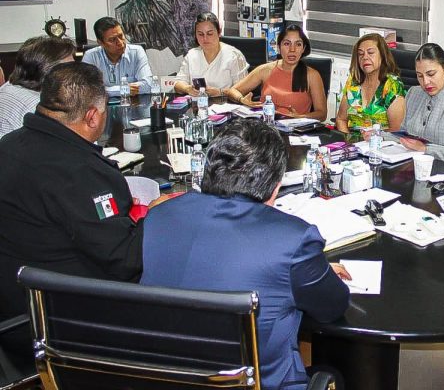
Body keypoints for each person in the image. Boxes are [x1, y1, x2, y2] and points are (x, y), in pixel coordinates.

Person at [141, 119, 351, 390]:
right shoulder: (293, 240)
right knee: (336, 375)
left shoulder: (159, 217)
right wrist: (311, 272)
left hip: (170, 378)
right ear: (276, 185)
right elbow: (332, 307)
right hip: (258, 383)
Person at [0, 62, 164, 361]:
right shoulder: (80, 171)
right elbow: (125, 259)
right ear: (92, 117)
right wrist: (156, 214)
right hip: (63, 322)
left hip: (14, 305)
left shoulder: (8, 145)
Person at [227, 24, 327, 121]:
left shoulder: (312, 75)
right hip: (265, 126)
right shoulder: (265, 70)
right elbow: (233, 91)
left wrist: (300, 117)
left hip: (295, 129)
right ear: (279, 47)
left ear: (303, 49)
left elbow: (322, 114)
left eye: (298, 44)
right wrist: (242, 100)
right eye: (287, 44)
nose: (292, 49)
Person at [0, 36, 75, 139]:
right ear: (47, 71)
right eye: (71, 68)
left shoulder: (8, 87)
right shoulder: (40, 107)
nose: (76, 73)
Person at [335, 33, 405, 135]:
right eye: (360, 54)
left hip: (380, 143)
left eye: (370, 53)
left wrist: (371, 141)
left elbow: (396, 130)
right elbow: (341, 119)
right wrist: (347, 140)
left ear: (382, 55)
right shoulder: (354, 81)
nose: (365, 57)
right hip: (352, 142)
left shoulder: (392, 85)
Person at [174, 12, 248, 97]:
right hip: (198, 103)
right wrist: (187, 88)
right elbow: (177, 84)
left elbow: (244, 89)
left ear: (219, 32)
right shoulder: (191, 55)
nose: (205, 38)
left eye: (210, 34)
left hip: (225, 103)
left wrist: (221, 92)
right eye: (200, 34)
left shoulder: (234, 56)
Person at [82, 16, 152, 96]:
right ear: (100, 43)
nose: (120, 43)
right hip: (103, 103)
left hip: (133, 102)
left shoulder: (136, 52)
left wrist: (106, 90)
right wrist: (125, 89)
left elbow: (148, 85)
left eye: (121, 36)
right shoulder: (91, 57)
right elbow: (87, 89)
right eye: (112, 40)